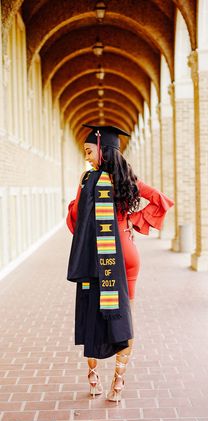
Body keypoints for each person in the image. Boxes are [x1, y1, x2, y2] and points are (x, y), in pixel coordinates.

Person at [66, 124, 174, 403]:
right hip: (128, 255)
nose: (87, 157)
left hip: (101, 256)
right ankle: (118, 382)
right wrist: (132, 223)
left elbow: (77, 219)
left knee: (92, 313)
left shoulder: (88, 180)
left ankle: (93, 381)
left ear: (101, 150)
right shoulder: (128, 180)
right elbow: (161, 201)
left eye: (89, 151)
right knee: (125, 317)